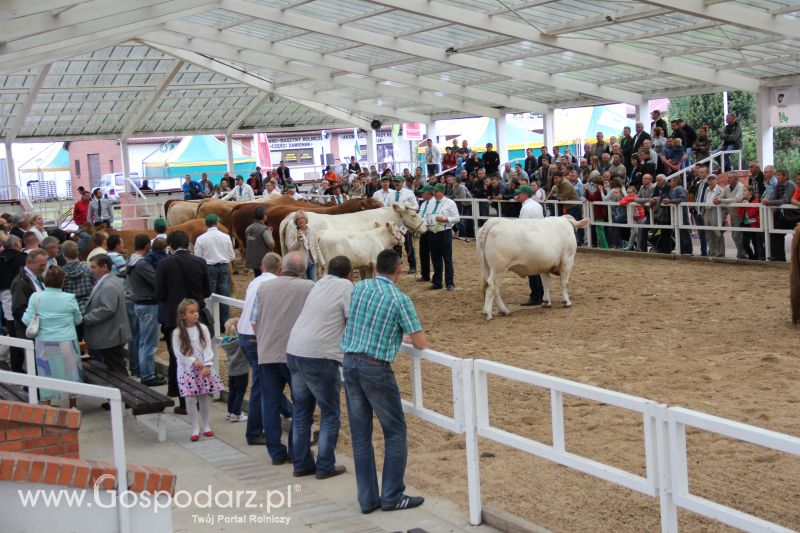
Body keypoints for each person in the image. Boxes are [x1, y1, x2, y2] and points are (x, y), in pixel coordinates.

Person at [340, 249, 427, 513]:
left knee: (361, 434)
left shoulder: (360, 287)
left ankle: (367, 499)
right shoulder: (400, 299)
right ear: (398, 269)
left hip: (350, 361)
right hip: (375, 367)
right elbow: (421, 343)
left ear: (376, 267)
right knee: (395, 431)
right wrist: (402, 335)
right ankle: (392, 495)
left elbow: (361, 320)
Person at [285, 255, 353, 479]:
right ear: (350, 274)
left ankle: (302, 463)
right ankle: (325, 465)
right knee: (330, 412)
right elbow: (351, 319)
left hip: (295, 349)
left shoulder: (319, 284)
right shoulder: (346, 287)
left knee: (302, 411)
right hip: (320, 355)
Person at [250, 252, 314, 465]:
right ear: (303, 270)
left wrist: (263, 340)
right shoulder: (309, 288)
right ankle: (297, 451)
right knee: (301, 403)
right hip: (295, 353)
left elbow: (254, 321)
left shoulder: (263, 287)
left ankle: (276, 452)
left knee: (270, 402)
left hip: (267, 351)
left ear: (282, 268)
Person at [156, 230, 212, 415]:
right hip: (196, 314)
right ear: (188, 244)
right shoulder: (200, 262)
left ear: (169, 246)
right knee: (199, 355)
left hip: (175, 316)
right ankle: (199, 394)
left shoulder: (164, 264)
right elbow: (207, 291)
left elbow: (160, 294)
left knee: (178, 357)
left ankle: (182, 396)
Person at [238, 252, 283, 446]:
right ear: (280, 270)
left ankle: (287, 409)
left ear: (262, 268)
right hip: (257, 337)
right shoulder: (275, 285)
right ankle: (254, 431)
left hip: (244, 334)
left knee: (265, 381)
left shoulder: (254, 282)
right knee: (261, 385)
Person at [21, 267, 82, 407]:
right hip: (67, 340)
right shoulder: (69, 298)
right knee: (72, 372)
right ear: (62, 281)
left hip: (44, 341)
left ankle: (47, 405)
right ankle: (73, 406)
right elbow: (78, 319)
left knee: (46, 373)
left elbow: (26, 319)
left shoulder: (36, 297)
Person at [172, 298, 223, 442]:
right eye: (191, 312)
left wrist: (207, 364)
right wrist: (193, 361)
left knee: (203, 397)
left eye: (196, 312)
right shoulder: (177, 333)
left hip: (202, 369)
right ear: (183, 315)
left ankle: (205, 425)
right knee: (189, 398)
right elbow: (178, 352)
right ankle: (195, 427)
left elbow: (207, 347)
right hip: (186, 369)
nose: (195, 315)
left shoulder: (203, 328)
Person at [126, 235, 166, 386]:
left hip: (139, 302)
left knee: (143, 341)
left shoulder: (131, 260)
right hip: (148, 304)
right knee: (149, 342)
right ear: (147, 246)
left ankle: (144, 371)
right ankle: (148, 375)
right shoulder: (141, 264)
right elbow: (156, 281)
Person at [83, 254, 131, 375]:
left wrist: (85, 318)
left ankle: (124, 392)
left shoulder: (109, 284)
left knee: (118, 370)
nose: (91, 270)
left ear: (104, 267)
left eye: (93, 267)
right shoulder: (108, 281)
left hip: (111, 336)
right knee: (114, 368)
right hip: (111, 334)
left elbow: (108, 309)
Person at [194, 214, 235, 334]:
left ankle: (212, 322)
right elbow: (232, 256)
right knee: (224, 295)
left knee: (210, 296)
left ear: (206, 224)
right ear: (216, 224)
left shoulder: (201, 239)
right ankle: (224, 323)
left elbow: (198, 257)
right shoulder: (225, 237)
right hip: (223, 267)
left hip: (208, 268)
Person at [10, 249, 47, 373]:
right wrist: (32, 324)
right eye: (41, 265)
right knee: (32, 364)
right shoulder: (20, 282)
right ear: (30, 263)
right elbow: (17, 309)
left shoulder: (36, 277)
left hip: (39, 327)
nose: (44, 268)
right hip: (30, 329)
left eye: (45, 264)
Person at [515, 186, 546, 306]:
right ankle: (541, 294)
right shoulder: (537, 205)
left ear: (525, 195)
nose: (518, 196)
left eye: (520, 194)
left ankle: (535, 296)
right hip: (539, 238)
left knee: (531, 270)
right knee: (537, 269)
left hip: (529, 241)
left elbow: (523, 227)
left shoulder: (525, 208)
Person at [426, 184, 460, 291]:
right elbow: (427, 216)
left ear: (442, 192)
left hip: (444, 232)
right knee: (435, 258)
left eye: (436, 191)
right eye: (434, 191)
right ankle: (437, 282)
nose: (434, 194)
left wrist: (445, 219)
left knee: (447, 259)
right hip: (432, 232)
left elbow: (457, 218)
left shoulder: (450, 203)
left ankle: (449, 283)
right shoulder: (430, 203)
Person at [61, 240, 94, 343]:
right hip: (88, 308)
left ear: (63, 255)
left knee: (76, 341)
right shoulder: (87, 268)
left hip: (71, 310)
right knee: (91, 340)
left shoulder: (61, 272)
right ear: (77, 252)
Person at [762, 169, 797, 261]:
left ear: (785, 176)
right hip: (784, 215)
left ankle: (782, 257)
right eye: (777, 175)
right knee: (775, 232)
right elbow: (773, 197)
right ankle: (778, 256)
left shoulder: (790, 184)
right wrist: (768, 200)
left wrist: (770, 202)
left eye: (779, 175)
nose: (777, 177)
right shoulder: (778, 185)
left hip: (793, 215)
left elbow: (785, 199)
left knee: (795, 235)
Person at [220, 319, 248, 423]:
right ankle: (236, 414)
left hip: (231, 370)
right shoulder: (240, 342)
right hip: (241, 371)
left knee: (232, 392)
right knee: (240, 392)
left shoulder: (227, 343)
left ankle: (230, 411)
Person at [0, 235, 27, 343]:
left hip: (4, 295)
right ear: (16, 244)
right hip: (22, 295)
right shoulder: (23, 257)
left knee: (11, 324)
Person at [389, 176, 418, 274]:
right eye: (395, 182)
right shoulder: (391, 194)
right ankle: (396, 266)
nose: (396, 183)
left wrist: (407, 208)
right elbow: (386, 206)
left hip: (405, 223)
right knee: (396, 245)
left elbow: (415, 205)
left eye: (398, 182)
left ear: (403, 182)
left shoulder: (409, 193)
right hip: (395, 223)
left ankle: (412, 265)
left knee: (408, 245)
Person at [285, 211, 322, 282]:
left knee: (313, 283)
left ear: (305, 219)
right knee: (304, 283)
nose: (300, 220)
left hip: (312, 263)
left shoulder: (312, 231)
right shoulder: (293, 232)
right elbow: (290, 249)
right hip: (301, 264)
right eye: (298, 219)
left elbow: (316, 247)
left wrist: (322, 262)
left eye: (302, 218)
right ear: (296, 221)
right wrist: (297, 241)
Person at [715, 172, 745, 259]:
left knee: (738, 236)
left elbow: (736, 199)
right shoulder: (727, 187)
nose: (728, 179)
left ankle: (743, 254)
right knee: (734, 235)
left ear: (736, 179)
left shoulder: (741, 187)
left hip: (740, 215)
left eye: (730, 178)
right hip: (732, 214)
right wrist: (717, 199)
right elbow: (722, 195)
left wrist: (721, 200)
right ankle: (741, 254)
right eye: (728, 178)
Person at [244, 206, 274, 278]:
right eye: (266, 214)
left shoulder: (248, 228)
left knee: (257, 277)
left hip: (253, 260)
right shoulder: (264, 229)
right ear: (264, 216)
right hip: (263, 261)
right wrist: (270, 234)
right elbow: (271, 244)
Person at [702, 174, 725, 257]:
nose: (711, 181)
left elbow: (723, 205)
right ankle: (712, 252)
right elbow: (705, 201)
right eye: (709, 180)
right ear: (707, 181)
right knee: (708, 234)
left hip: (715, 212)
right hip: (707, 212)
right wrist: (703, 213)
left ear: (716, 180)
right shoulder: (707, 190)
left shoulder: (721, 190)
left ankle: (721, 253)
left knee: (717, 233)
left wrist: (722, 217)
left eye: (713, 179)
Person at [739, 185, 763, 260]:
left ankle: (757, 257)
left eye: (745, 190)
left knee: (755, 242)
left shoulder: (756, 200)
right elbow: (740, 212)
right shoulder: (742, 200)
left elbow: (752, 213)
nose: (743, 192)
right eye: (743, 190)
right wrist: (744, 205)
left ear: (750, 192)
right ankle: (751, 256)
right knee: (744, 243)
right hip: (746, 224)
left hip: (754, 224)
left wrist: (746, 205)